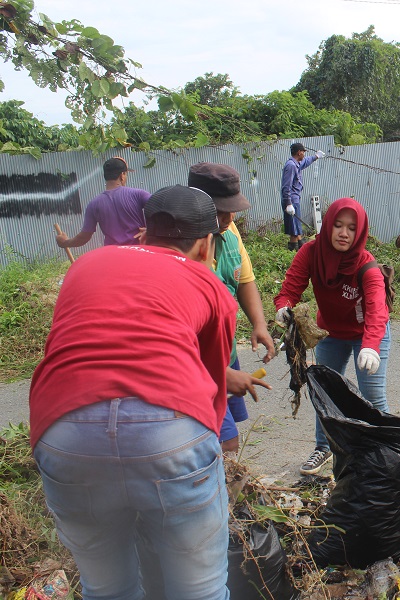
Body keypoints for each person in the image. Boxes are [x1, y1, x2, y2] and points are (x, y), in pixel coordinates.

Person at [30, 185, 237, 600]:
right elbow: (213, 382)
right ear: (204, 244)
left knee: (106, 588)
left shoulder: (85, 265)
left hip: (64, 431)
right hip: (169, 435)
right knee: (200, 590)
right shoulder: (208, 284)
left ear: (145, 231)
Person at [274, 198, 391, 475]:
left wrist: (372, 346)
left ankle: (387, 451)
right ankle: (323, 448)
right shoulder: (311, 253)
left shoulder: (367, 266)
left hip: (368, 335)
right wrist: (283, 307)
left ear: (359, 232)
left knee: (372, 394)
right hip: (330, 332)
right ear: (327, 226)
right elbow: (291, 287)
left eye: (351, 228)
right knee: (325, 392)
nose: (343, 233)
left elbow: (376, 310)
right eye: (338, 225)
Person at [189, 162, 275, 453]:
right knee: (225, 442)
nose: (229, 216)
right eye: (220, 210)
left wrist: (259, 325)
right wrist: (220, 375)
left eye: (232, 208)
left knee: (224, 436)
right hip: (197, 362)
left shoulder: (230, 231)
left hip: (224, 352)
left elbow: (244, 280)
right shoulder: (182, 247)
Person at [55, 156, 150, 249]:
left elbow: (84, 237)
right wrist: (150, 231)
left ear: (106, 176)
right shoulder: (138, 194)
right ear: (122, 175)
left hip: (112, 256)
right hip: (139, 252)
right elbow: (162, 212)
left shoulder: (94, 204)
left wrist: (65, 242)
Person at [282, 142, 325, 251]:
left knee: (295, 228)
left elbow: (305, 162)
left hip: (294, 200)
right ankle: (296, 250)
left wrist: (316, 157)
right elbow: (286, 186)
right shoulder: (291, 166)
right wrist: (288, 204)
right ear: (299, 152)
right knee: (294, 229)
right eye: (303, 152)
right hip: (291, 201)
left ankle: (300, 248)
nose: (304, 154)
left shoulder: (296, 163)